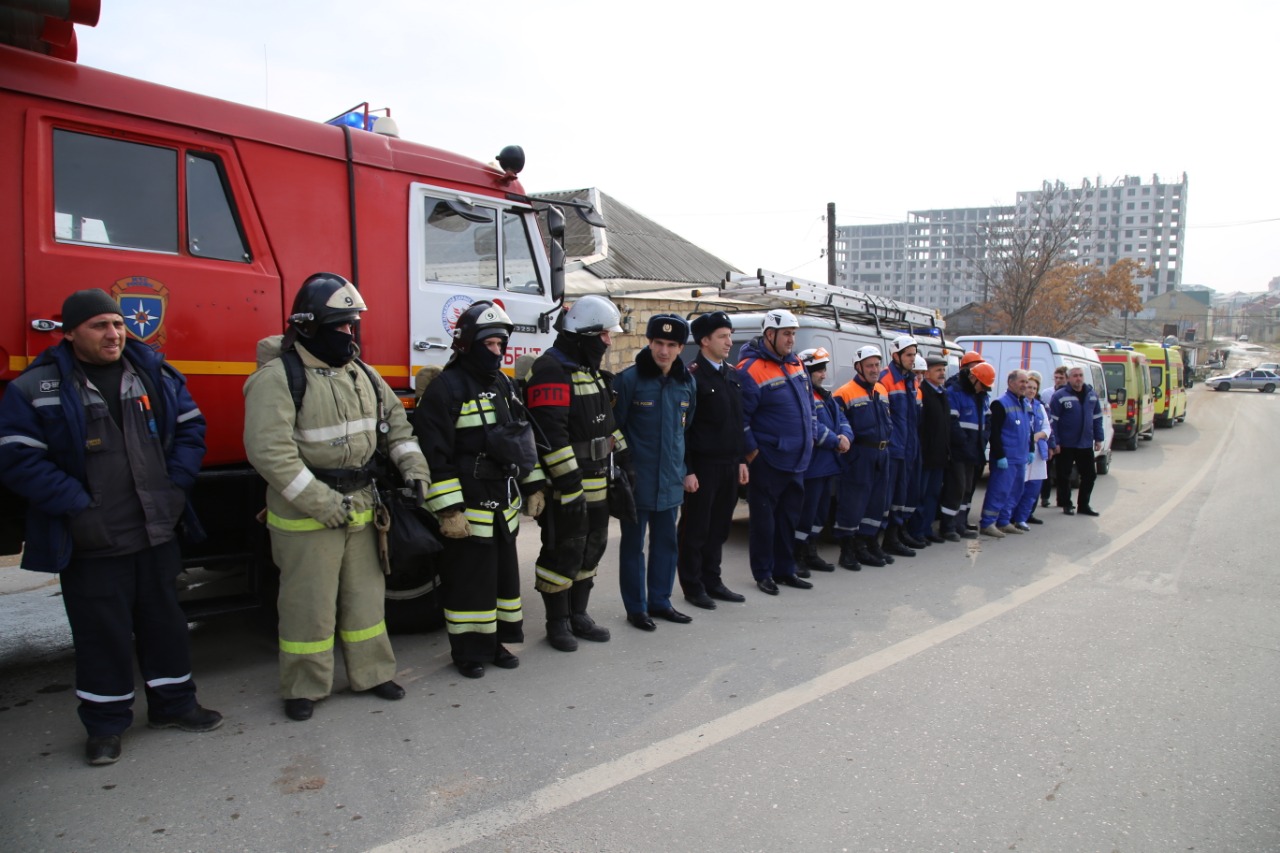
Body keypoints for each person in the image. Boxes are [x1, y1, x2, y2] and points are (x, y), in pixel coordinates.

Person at [0, 289, 220, 766]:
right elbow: (18, 459)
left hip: (155, 529)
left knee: (166, 624)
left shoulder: (153, 374)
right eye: (100, 325)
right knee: (103, 636)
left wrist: (175, 485)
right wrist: (78, 506)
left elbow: (190, 428)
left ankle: (175, 705)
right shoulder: (35, 388)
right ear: (71, 332)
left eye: (118, 324)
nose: (114, 333)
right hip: (92, 538)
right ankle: (105, 726)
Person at [244, 273, 429, 721]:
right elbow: (270, 452)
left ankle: (372, 673)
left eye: (352, 324)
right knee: (308, 605)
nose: (350, 333)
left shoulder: (361, 373)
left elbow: (396, 427)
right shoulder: (277, 377)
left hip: (362, 505)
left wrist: (414, 468)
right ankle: (304, 686)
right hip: (307, 513)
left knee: (366, 598)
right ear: (309, 326)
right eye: (341, 325)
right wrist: (322, 503)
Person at [413, 301, 543, 678]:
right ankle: (468, 652)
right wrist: (448, 510)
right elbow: (434, 455)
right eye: (490, 344)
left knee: (502, 582)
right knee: (469, 585)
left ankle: (497, 643)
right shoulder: (445, 389)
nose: (498, 352)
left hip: (502, 506)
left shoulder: (503, 384)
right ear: (468, 343)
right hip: (468, 509)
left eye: (502, 344)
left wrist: (533, 485)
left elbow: (523, 440)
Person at [524, 295, 626, 650]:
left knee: (591, 549)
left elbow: (608, 425)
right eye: (604, 335)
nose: (609, 342)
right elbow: (550, 436)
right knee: (561, 552)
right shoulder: (551, 370)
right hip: (567, 487)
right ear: (584, 334)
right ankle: (558, 622)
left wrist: (627, 462)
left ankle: (579, 614)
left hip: (598, 481)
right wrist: (569, 487)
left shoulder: (591, 372)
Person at [613, 314, 696, 629]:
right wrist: (624, 471)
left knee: (666, 543)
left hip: (671, 480)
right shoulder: (629, 381)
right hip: (637, 482)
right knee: (633, 548)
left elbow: (684, 432)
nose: (664, 351)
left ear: (679, 347)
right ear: (649, 342)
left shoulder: (686, 383)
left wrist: (685, 470)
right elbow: (614, 430)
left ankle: (660, 602)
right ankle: (636, 608)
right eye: (658, 343)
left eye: (671, 345)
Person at [737, 309, 816, 595]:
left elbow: (810, 406)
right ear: (769, 335)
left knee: (788, 521)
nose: (791, 339)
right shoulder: (750, 369)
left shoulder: (796, 363)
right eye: (786, 334)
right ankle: (763, 573)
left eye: (793, 334)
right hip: (769, 461)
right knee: (764, 523)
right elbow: (740, 419)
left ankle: (785, 569)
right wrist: (753, 453)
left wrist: (812, 435)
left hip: (797, 460)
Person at [677, 311, 748, 610]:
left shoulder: (731, 374)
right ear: (704, 341)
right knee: (696, 529)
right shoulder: (691, 376)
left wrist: (742, 459)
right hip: (703, 466)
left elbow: (736, 422)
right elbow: (684, 429)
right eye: (722, 336)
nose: (729, 341)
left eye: (730, 335)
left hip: (730, 465)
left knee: (719, 527)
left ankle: (713, 581)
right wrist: (688, 469)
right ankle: (693, 587)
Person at [832, 345, 894, 568]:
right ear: (858, 367)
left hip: (881, 453)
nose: (874, 369)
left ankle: (867, 544)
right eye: (869, 365)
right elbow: (838, 425)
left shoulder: (882, 390)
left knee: (877, 501)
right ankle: (847, 550)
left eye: (877, 365)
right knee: (853, 503)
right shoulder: (844, 393)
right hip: (859, 455)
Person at [794, 347, 852, 573]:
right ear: (807, 370)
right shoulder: (804, 395)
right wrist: (835, 441)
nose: (823, 374)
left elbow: (843, 419)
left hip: (828, 466)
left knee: (820, 513)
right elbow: (812, 426)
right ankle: (797, 554)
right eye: (818, 370)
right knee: (805, 513)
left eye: (824, 369)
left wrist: (846, 436)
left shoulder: (826, 395)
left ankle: (810, 551)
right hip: (813, 467)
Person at [879, 335, 925, 555]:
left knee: (904, 494)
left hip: (909, 445)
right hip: (895, 447)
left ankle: (897, 532)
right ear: (895, 355)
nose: (912, 359)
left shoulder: (911, 380)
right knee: (890, 497)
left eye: (914, 355)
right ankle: (887, 538)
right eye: (908, 355)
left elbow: (915, 416)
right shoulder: (885, 379)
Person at [939, 360, 994, 540]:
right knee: (956, 488)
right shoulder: (955, 393)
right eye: (982, 386)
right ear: (973, 378)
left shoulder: (981, 396)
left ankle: (960, 524)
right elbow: (952, 423)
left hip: (973, 450)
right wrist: (963, 444)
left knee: (967, 489)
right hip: (958, 451)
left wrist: (982, 441)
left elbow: (987, 422)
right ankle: (948, 526)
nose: (983, 390)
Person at [979, 369, 1033, 537]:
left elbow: (1028, 430)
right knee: (999, 490)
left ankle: (1004, 521)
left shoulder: (1024, 403)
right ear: (1011, 383)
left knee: (1015, 491)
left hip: (1020, 457)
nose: (1025, 385)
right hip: (1006, 458)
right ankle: (987, 523)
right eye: (1021, 382)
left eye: (1026, 382)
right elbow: (994, 432)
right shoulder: (1000, 403)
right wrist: (1000, 455)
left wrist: (1030, 449)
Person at [1050, 365, 1104, 516]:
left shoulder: (1091, 395)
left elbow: (1097, 418)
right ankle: (1066, 503)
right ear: (1068, 378)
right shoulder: (1059, 396)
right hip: (1066, 444)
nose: (1078, 378)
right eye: (1075, 375)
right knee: (1064, 475)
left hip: (1085, 443)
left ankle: (1084, 505)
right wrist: (1056, 442)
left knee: (1090, 475)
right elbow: (1053, 421)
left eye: (1080, 375)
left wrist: (1099, 438)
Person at [909, 354, 951, 544]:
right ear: (927, 373)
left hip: (939, 455)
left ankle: (926, 529)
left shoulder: (942, 392)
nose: (942, 373)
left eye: (943, 369)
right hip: (925, 455)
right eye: (938, 370)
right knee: (920, 495)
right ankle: (916, 531)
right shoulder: (922, 392)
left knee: (933, 494)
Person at [1010, 370, 1053, 530]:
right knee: (1018, 487)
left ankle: (1022, 518)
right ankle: (1010, 517)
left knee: (1033, 488)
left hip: (1038, 453)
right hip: (1022, 451)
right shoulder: (1018, 404)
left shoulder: (1040, 407)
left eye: (1035, 388)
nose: (1031, 391)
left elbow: (1047, 428)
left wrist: (1037, 436)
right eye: (1029, 387)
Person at [1039, 365, 1068, 508]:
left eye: (1061, 378)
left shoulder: (1069, 394)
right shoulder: (1047, 393)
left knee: (1063, 471)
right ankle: (1045, 497)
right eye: (1056, 378)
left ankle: (1062, 499)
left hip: (1063, 438)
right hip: (1050, 435)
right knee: (1047, 469)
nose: (1058, 380)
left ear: (1066, 378)